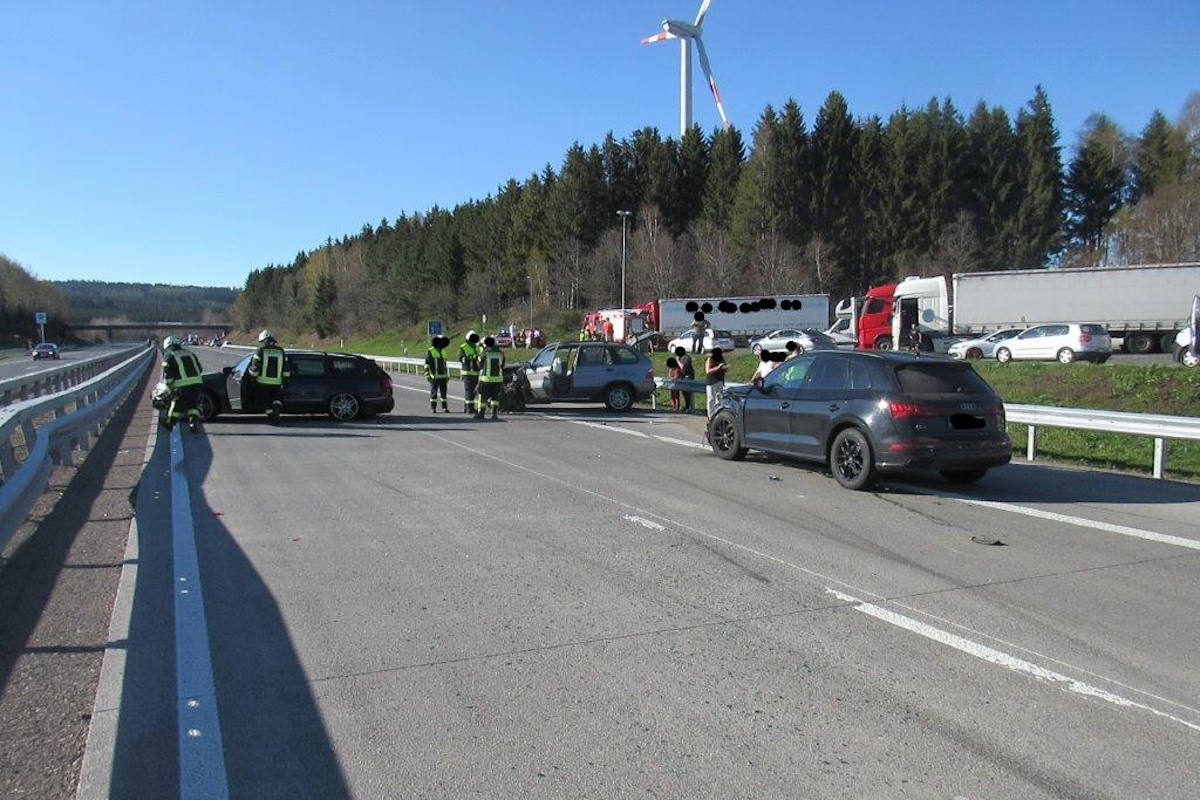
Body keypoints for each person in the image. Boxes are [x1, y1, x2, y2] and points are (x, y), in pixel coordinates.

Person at [161, 335, 204, 433]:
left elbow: (168, 372)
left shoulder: (169, 355)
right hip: (196, 383)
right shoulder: (189, 353)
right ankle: (193, 423)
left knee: (176, 405)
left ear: (166, 346)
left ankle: (169, 424)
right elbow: (200, 368)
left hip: (180, 385)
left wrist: (169, 385)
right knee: (193, 405)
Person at [248, 329, 287, 424]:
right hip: (277, 383)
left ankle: (272, 418)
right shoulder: (281, 351)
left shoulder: (260, 351)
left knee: (266, 402)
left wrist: (252, 377)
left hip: (263, 383)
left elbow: (254, 369)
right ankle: (276, 412)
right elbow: (286, 368)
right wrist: (285, 380)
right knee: (276, 400)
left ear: (263, 341)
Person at [475, 336, 505, 420]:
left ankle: (481, 414)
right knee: (495, 398)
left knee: (483, 397)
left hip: (486, 379)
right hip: (498, 379)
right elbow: (502, 365)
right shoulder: (501, 353)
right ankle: (494, 414)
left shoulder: (485, 352)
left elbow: (480, 365)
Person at [425, 335, 451, 412]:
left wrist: (447, 375)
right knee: (434, 393)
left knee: (444, 393)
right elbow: (427, 364)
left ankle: (444, 407)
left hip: (443, 376)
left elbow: (445, 365)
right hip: (434, 376)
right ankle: (433, 408)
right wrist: (427, 375)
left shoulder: (443, 351)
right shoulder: (430, 351)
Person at [458, 330, 482, 414]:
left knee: (473, 391)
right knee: (469, 390)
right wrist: (473, 357)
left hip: (475, 373)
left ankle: (467, 406)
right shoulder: (463, 347)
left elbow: (480, 357)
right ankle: (469, 408)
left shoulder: (476, 347)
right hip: (467, 372)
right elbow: (462, 358)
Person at [704, 347, 729, 418]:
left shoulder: (721, 359)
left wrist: (725, 368)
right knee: (711, 399)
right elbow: (708, 371)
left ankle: (718, 415)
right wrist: (717, 368)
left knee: (719, 399)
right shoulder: (710, 359)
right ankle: (710, 415)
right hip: (711, 382)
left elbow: (725, 369)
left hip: (720, 380)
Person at [673, 346, 695, 413]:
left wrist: (677, 360)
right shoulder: (681, 357)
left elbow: (683, 366)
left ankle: (689, 407)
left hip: (688, 376)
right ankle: (686, 406)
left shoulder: (686, 357)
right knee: (684, 392)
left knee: (687, 393)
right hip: (682, 376)